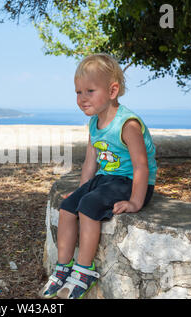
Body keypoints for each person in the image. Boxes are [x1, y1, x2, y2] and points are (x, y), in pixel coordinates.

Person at [40, 53, 157, 299]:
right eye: (78, 92)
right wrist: (83, 189)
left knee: (88, 208)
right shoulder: (94, 123)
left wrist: (136, 200)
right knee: (68, 207)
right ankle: (64, 266)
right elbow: (91, 161)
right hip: (105, 180)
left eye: (89, 91)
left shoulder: (128, 124)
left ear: (112, 91)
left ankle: (84, 270)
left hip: (131, 182)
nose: (82, 99)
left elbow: (141, 166)